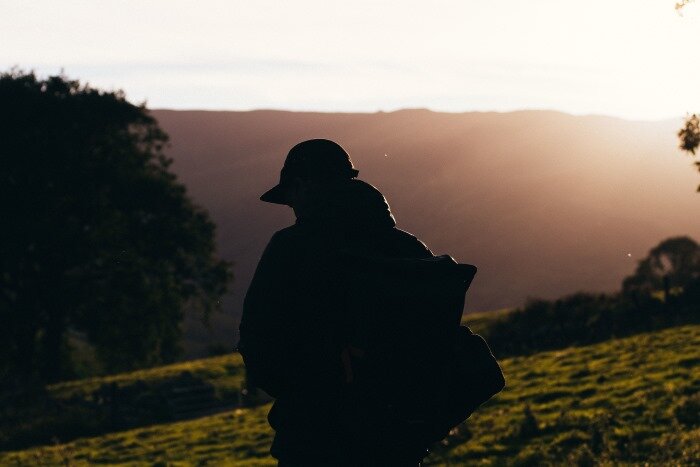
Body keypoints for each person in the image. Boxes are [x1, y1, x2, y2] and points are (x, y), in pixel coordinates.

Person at [238, 139, 433, 466]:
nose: (292, 208)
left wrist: (304, 394)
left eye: (291, 198)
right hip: (396, 441)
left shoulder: (289, 248)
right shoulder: (409, 249)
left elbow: (257, 341)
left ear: (301, 186)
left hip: (313, 440)